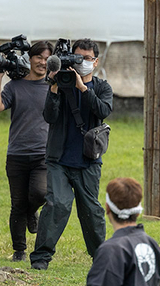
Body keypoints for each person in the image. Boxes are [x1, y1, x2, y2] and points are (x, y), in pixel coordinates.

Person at [30, 39, 112, 270]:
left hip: (88, 160)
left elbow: (103, 110)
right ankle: (40, 258)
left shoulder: (102, 87)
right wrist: (55, 87)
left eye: (87, 58)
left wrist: (83, 88)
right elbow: (49, 116)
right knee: (58, 204)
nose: (83, 62)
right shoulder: (60, 84)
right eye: (78, 58)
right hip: (59, 159)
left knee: (91, 209)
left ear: (95, 62)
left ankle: (100, 257)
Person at [0, 41, 52, 262]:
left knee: (40, 193)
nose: (42, 63)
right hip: (16, 154)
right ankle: (19, 250)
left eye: (47, 59)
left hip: (43, 154)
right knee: (17, 203)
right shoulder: (15, 86)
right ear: (31, 58)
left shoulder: (52, 86)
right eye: (39, 57)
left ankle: (31, 212)